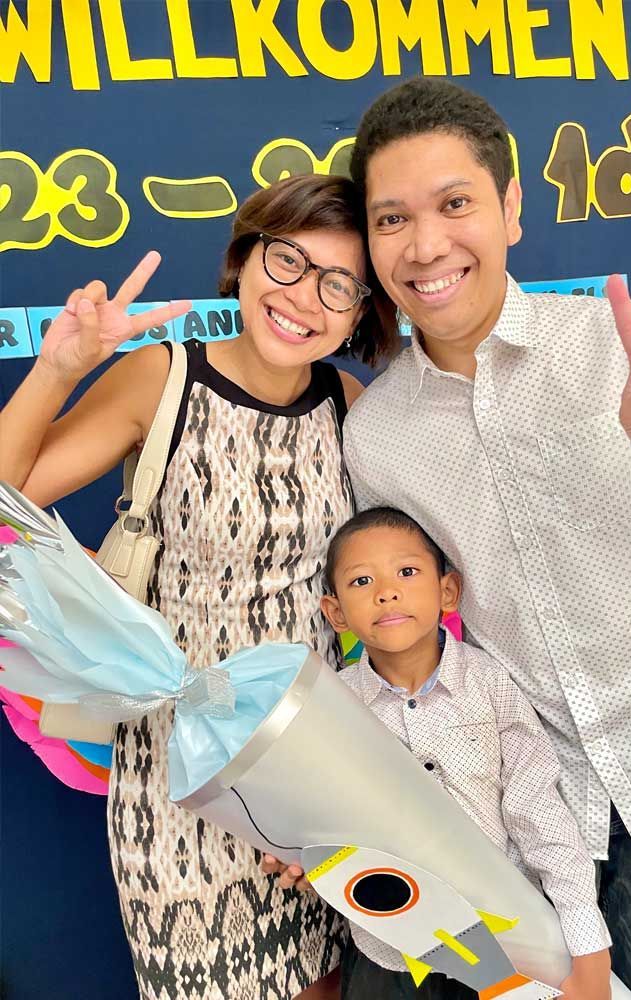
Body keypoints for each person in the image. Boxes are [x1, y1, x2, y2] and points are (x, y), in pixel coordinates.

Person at [340, 78, 631, 1000]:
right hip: (532, 801)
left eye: (455, 204)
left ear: (511, 209)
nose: (425, 246)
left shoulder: (626, 346)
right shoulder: (376, 436)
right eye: (391, 219)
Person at [0, 174, 397, 1000]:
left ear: (360, 309)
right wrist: (59, 367)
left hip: (307, 767)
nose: (303, 298)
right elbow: (10, 490)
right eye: (286, 260)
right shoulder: (162, 379)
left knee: (323, 982)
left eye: (338, 284)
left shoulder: (349, 406)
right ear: (245, 256)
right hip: (175, 784)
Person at [319, 506, 612, 1000]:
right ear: (336, 612)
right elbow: (319, 808)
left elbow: (538, 811)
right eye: (362, 580)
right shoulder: (334, 705)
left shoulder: (492, 685)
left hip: (500, 946)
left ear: (448, 591)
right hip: (386, 951)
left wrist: (588, 949)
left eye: (407, 572)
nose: (386, 591)